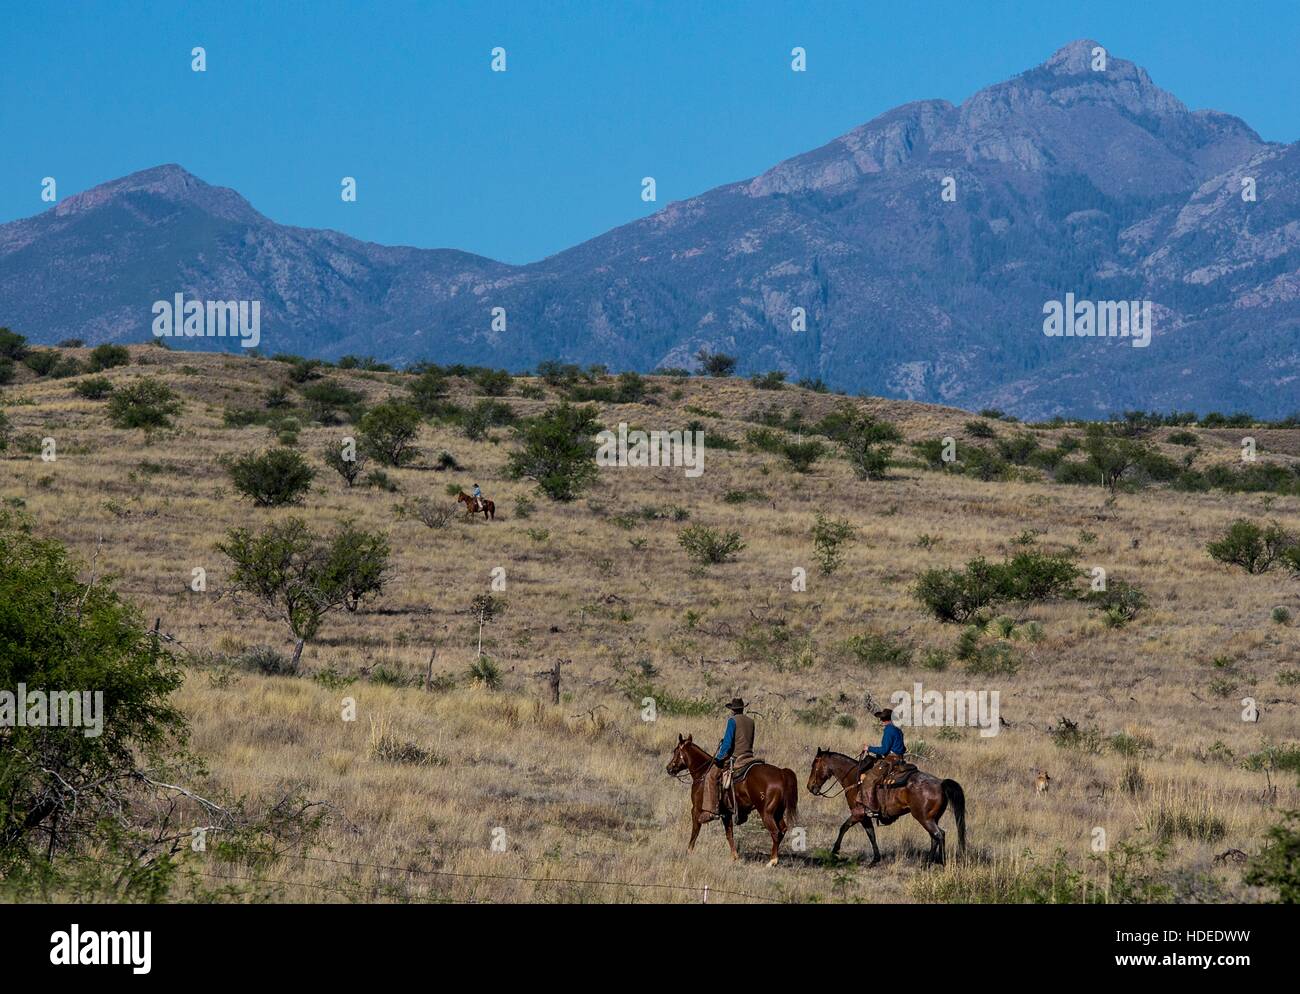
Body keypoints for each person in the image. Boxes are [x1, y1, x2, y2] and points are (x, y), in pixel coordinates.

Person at [697, 697, 754, 825]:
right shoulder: (751, 721)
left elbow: (727, 744)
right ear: (742, 709)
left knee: (711, 776)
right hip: (750, 757)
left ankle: (711, 811)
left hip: (737, 758)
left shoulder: (732, 721)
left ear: (732, 710)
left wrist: (719, 758)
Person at [852, 708, 906, 819]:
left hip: (891, 760)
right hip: (900, 759)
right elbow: (903, 748)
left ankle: (871, 808)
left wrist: (869, 748)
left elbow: (884, 750)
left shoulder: (888, 730)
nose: (881, 721)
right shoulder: (898, 730)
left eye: (881, 719)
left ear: (884, 720)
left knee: (869, 778)